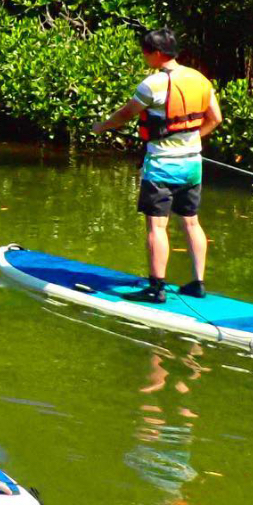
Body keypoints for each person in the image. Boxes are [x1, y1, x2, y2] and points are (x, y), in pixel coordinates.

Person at [92, 28, 223, 303]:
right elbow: (216, 118)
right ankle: (198, 283)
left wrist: (101, 127)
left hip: (162, 166)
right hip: (192, 164)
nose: (144, 56)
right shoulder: (200, 79)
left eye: (146, 52)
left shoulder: (151, 85)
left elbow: (125, 115)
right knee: (191, 222)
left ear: (157, 54)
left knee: (157, 226)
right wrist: (191, 139)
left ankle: (156, 288)